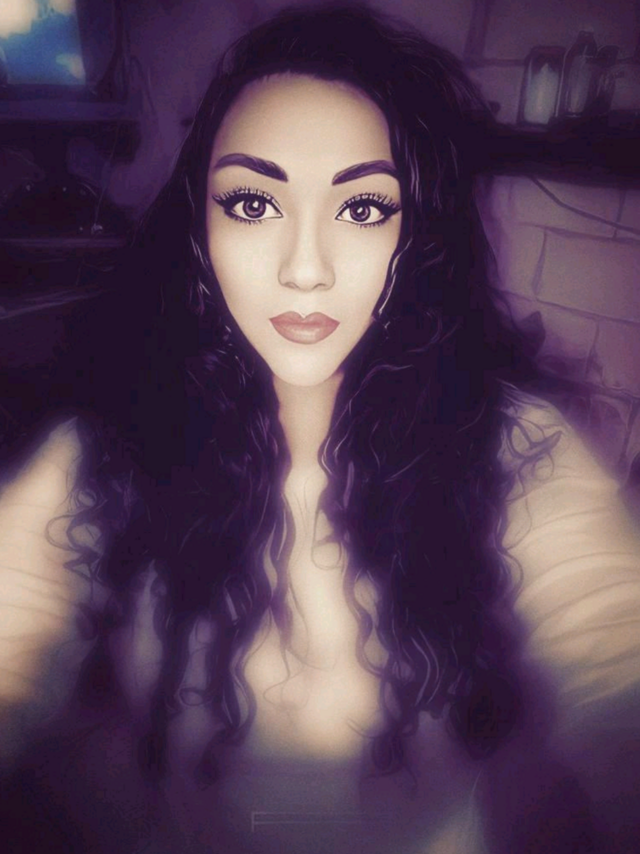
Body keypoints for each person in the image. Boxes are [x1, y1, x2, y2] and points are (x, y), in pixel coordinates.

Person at [1, 4, 640, 853]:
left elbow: (613, 654)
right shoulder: (107, 445)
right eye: (253, 202)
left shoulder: (516, 449)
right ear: (199, 228)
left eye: (364, 208)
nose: (306, 269)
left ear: (420, 235)